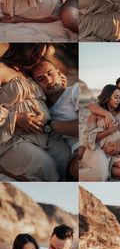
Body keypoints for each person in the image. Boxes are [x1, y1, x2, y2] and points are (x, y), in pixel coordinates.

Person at [0, 44, 70, 181]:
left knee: (67, 160)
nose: (39, 60)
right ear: (26, 51)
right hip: (13, 136)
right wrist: (16, 118)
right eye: (37, 55)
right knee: (46, 167)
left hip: (45, 134)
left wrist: (60, 89)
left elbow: (39, 100)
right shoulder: (2, 69)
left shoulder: (28, 71)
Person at [31, 58, 78, 181]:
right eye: (41, 79)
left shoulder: (75, 90)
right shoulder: (44, 110)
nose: (48, 80)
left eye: (50, 73)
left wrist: (48, 125)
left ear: (59, 72)